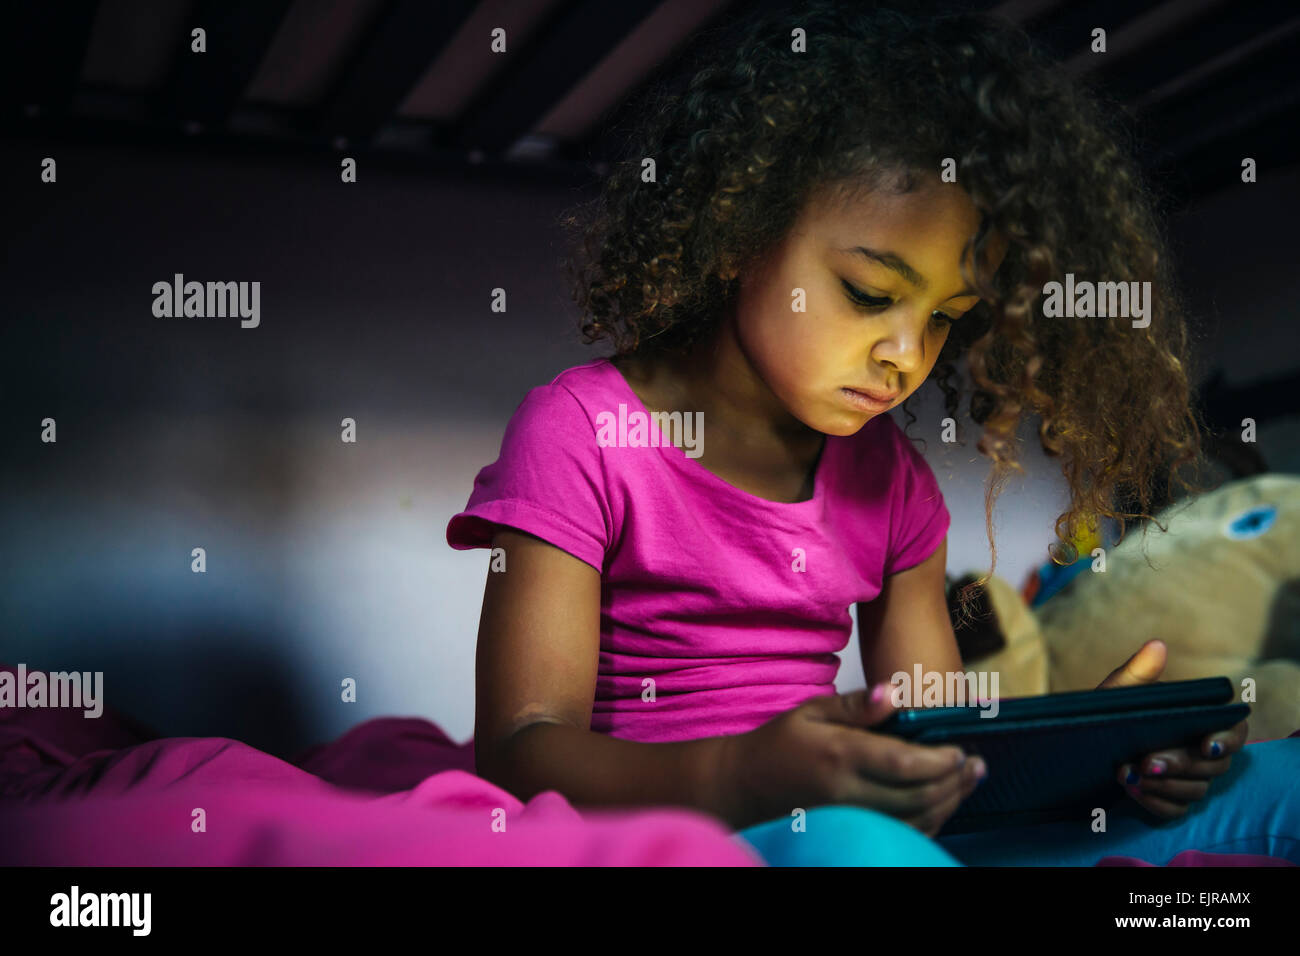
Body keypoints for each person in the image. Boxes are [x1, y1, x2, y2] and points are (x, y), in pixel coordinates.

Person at [446, 0, 1296, 865]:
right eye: (867, 293)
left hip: (857, 827)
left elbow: (947, 747)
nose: (905, 356)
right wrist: (741, 776)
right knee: (858, 846)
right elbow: (519, 751)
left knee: (1277, 787)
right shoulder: (581, 432)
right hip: (682, 828)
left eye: (944, 319)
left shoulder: (891, 483)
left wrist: (1086, 758)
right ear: (740, 229)